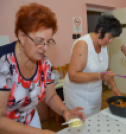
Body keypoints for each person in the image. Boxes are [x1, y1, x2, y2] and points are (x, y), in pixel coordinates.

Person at [0, 3, 85, 134]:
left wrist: (65, 111)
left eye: (48, 41)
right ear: (22, 36)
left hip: (31, 119)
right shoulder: (3, 62)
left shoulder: (44, 63)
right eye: (39, 41)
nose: (45, 48)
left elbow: (50, 96)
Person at [63, 14, 122, 118]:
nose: (110, 41)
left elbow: (106, 69)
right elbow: (73, 75)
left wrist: (115, 88)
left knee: (94, 122)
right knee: (82, 126)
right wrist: (100, 76)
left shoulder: (104, 45)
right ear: (101, 30)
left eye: (113, 38)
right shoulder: (83, 44)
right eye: (109, 37)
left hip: (94, 94)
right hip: (77, 95)